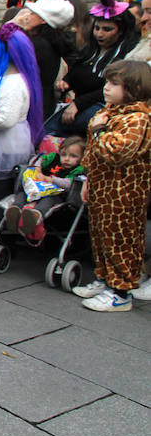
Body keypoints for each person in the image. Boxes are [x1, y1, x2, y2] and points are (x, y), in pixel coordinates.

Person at [73, 60, 151, 310]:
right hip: (101, 188)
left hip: (124, 192)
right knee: (100, 237)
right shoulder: (109, 111)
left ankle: (121, 292)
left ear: (133, 87)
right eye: (107, 82)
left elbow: (118, 152)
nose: (106, 88)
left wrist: (99, 132)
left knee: (121, 240)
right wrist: (87, 179)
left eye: (114, 84)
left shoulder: (138, 119)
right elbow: (92, 152)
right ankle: (104, 279)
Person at [0, 23, 44, 244]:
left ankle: (2, 241)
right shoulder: (4, 79)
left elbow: (5, 119)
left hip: (4, 146)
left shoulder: (13, 84)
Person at [49, 0, 140, 137]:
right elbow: (77, 73)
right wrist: (65, 83)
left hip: (101, 111)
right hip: (77, 107)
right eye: (97, 28)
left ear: (120, 32)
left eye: (107, 29)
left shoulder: (125, 57)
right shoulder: (89, 51)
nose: (99, 34)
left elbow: (106, 89)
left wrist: (78, 104)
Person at [3, 135, 85, 245]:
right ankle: (15, 210)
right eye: (64, 154)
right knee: (22, 194)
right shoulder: (53, 158)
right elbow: (38, 158)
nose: (67, 159)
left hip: (56, 194)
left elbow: (68, 184)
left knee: (49, 200)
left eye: (73, 156)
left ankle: (34, 215)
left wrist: (50, 179)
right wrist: (37, 168)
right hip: (37, 189)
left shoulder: (78, 169)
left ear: (81, 158)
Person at [14, 0, 76, 119]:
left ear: (43, 20)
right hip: (43, 102)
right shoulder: (49, 42)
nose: (27, 16)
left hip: (31, 105)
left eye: (32, 14)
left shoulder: (38, 45)